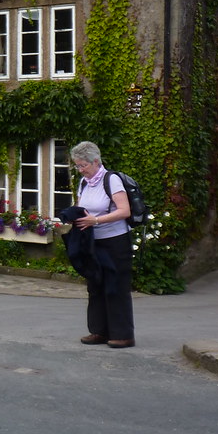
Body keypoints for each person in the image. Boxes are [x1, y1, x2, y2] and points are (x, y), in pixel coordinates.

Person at [71, 140, 135, 349]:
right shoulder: (84, 183)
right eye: (77, 166)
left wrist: (96, 220)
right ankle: (98, 331)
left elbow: (124, 211)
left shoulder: (112, 180)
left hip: (115, 242)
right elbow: (83, 207)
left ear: (96, 161)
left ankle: (123, 335)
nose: (80, 170)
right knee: (95, 286)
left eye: (83, 166)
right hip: (93, 242)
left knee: (115, 287)